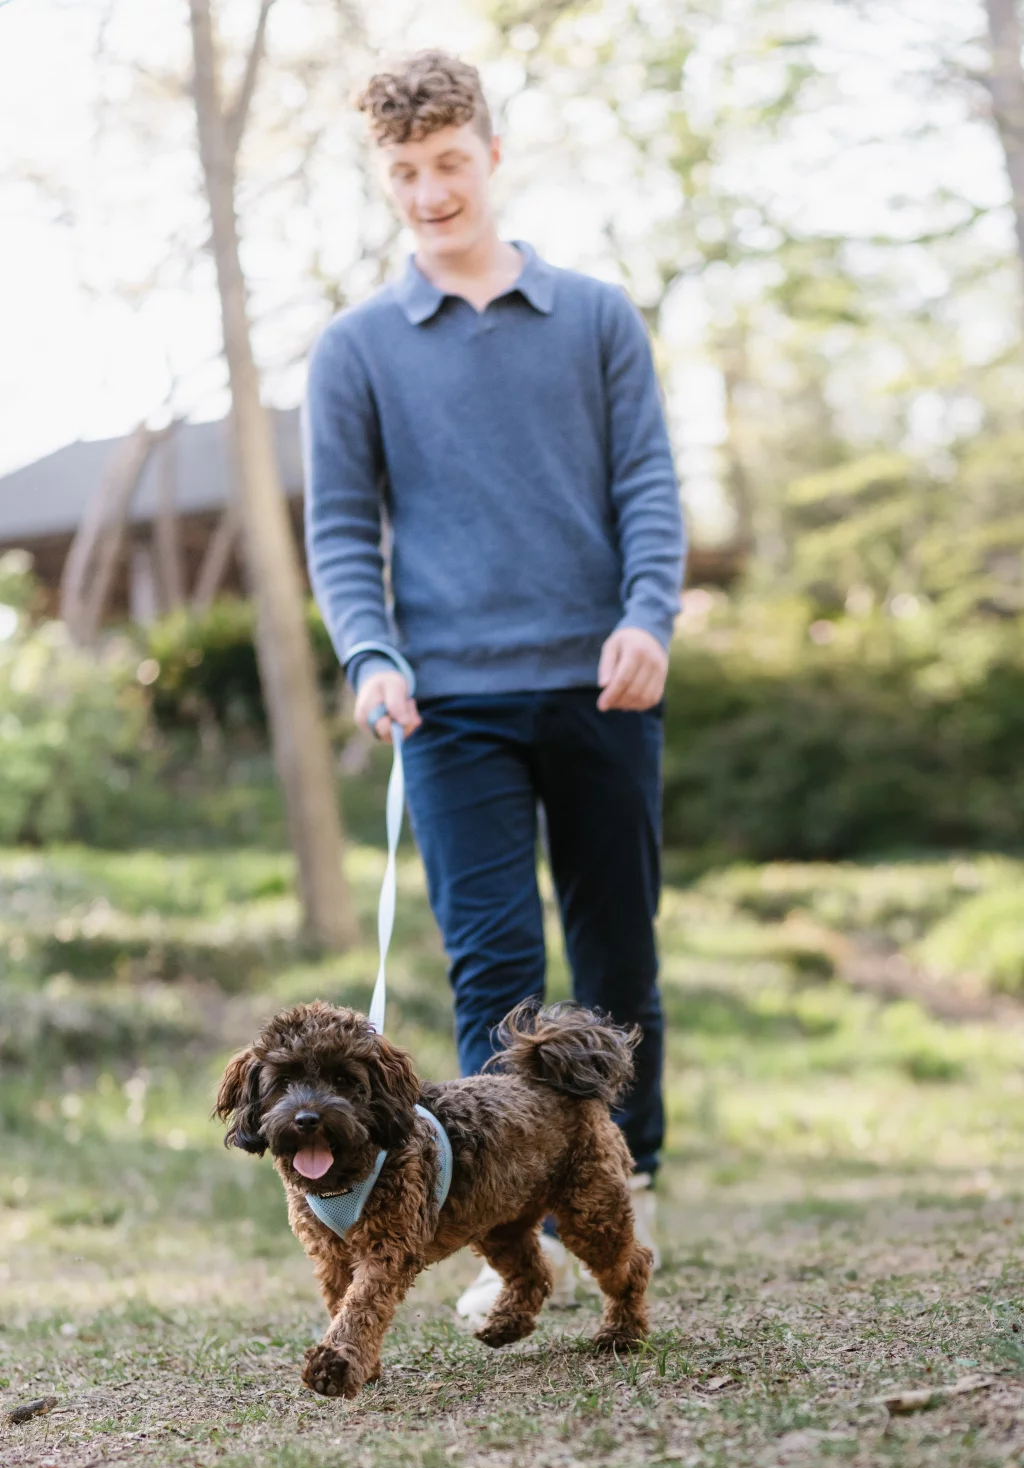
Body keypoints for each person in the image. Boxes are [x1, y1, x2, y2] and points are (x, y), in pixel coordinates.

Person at [303, 50, 685, 1324]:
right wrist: (372, 651)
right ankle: (493, 1228)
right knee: (494, 959)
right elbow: (344, 529)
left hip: (601, 684)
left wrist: (647, 616)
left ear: (492, 155)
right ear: (385, 177)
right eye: (403, 172)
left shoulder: (592, 315)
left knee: (617, 947)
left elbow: (647, 485)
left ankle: (635, 1180)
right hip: (447, 703)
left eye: (448, 163)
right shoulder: (358, 346)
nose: (428, 192)